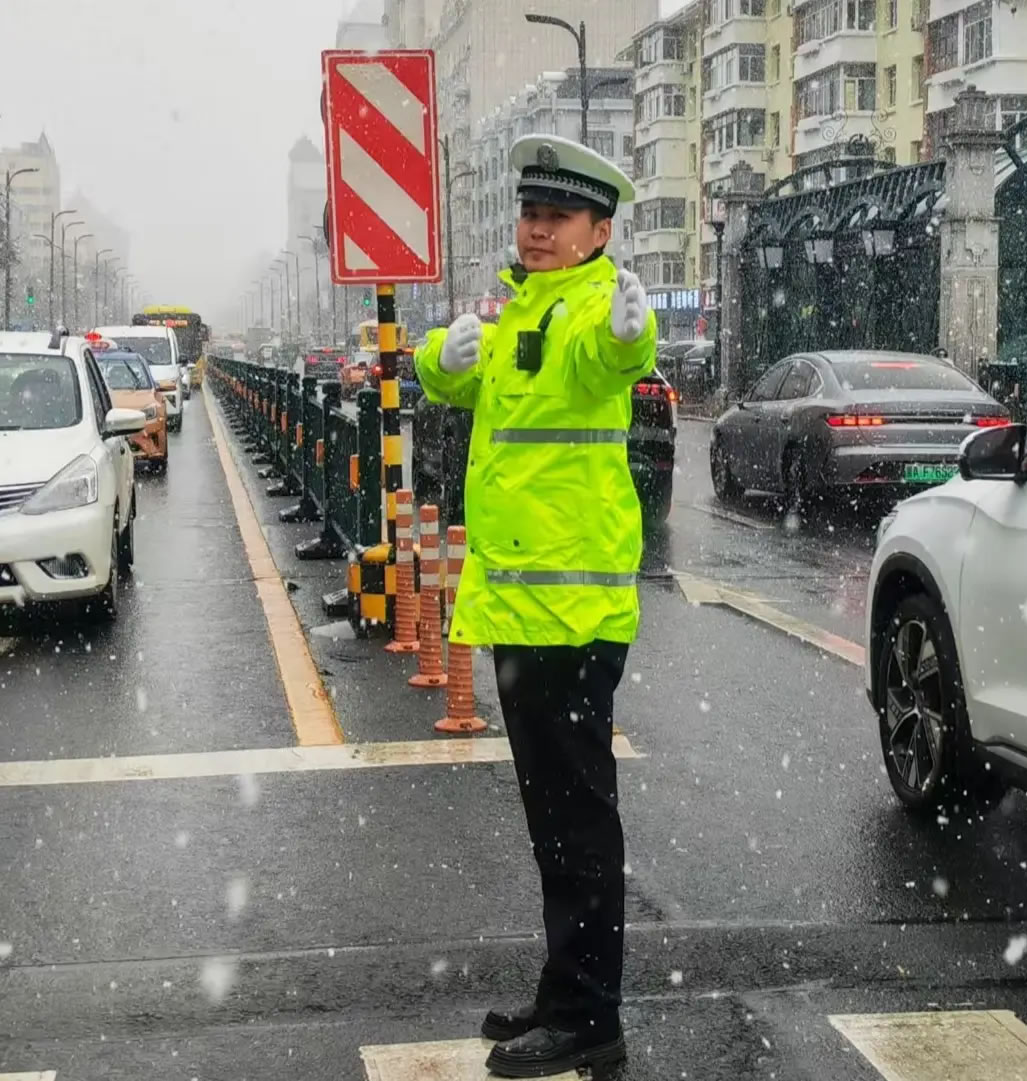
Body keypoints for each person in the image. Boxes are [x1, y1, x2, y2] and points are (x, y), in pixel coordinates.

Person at [413, 133, 653, 1078]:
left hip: (571, 616)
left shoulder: (593, 306)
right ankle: (564, 995)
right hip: (520, 612)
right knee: (553, 825)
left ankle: (591, 1017)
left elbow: (610, 357)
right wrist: (439, 351)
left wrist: (630, 337)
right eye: (529, 214)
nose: (537, 229)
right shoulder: (519, 303)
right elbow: (454, 376)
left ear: (599, 231)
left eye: (557, 217)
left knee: (579, 824)